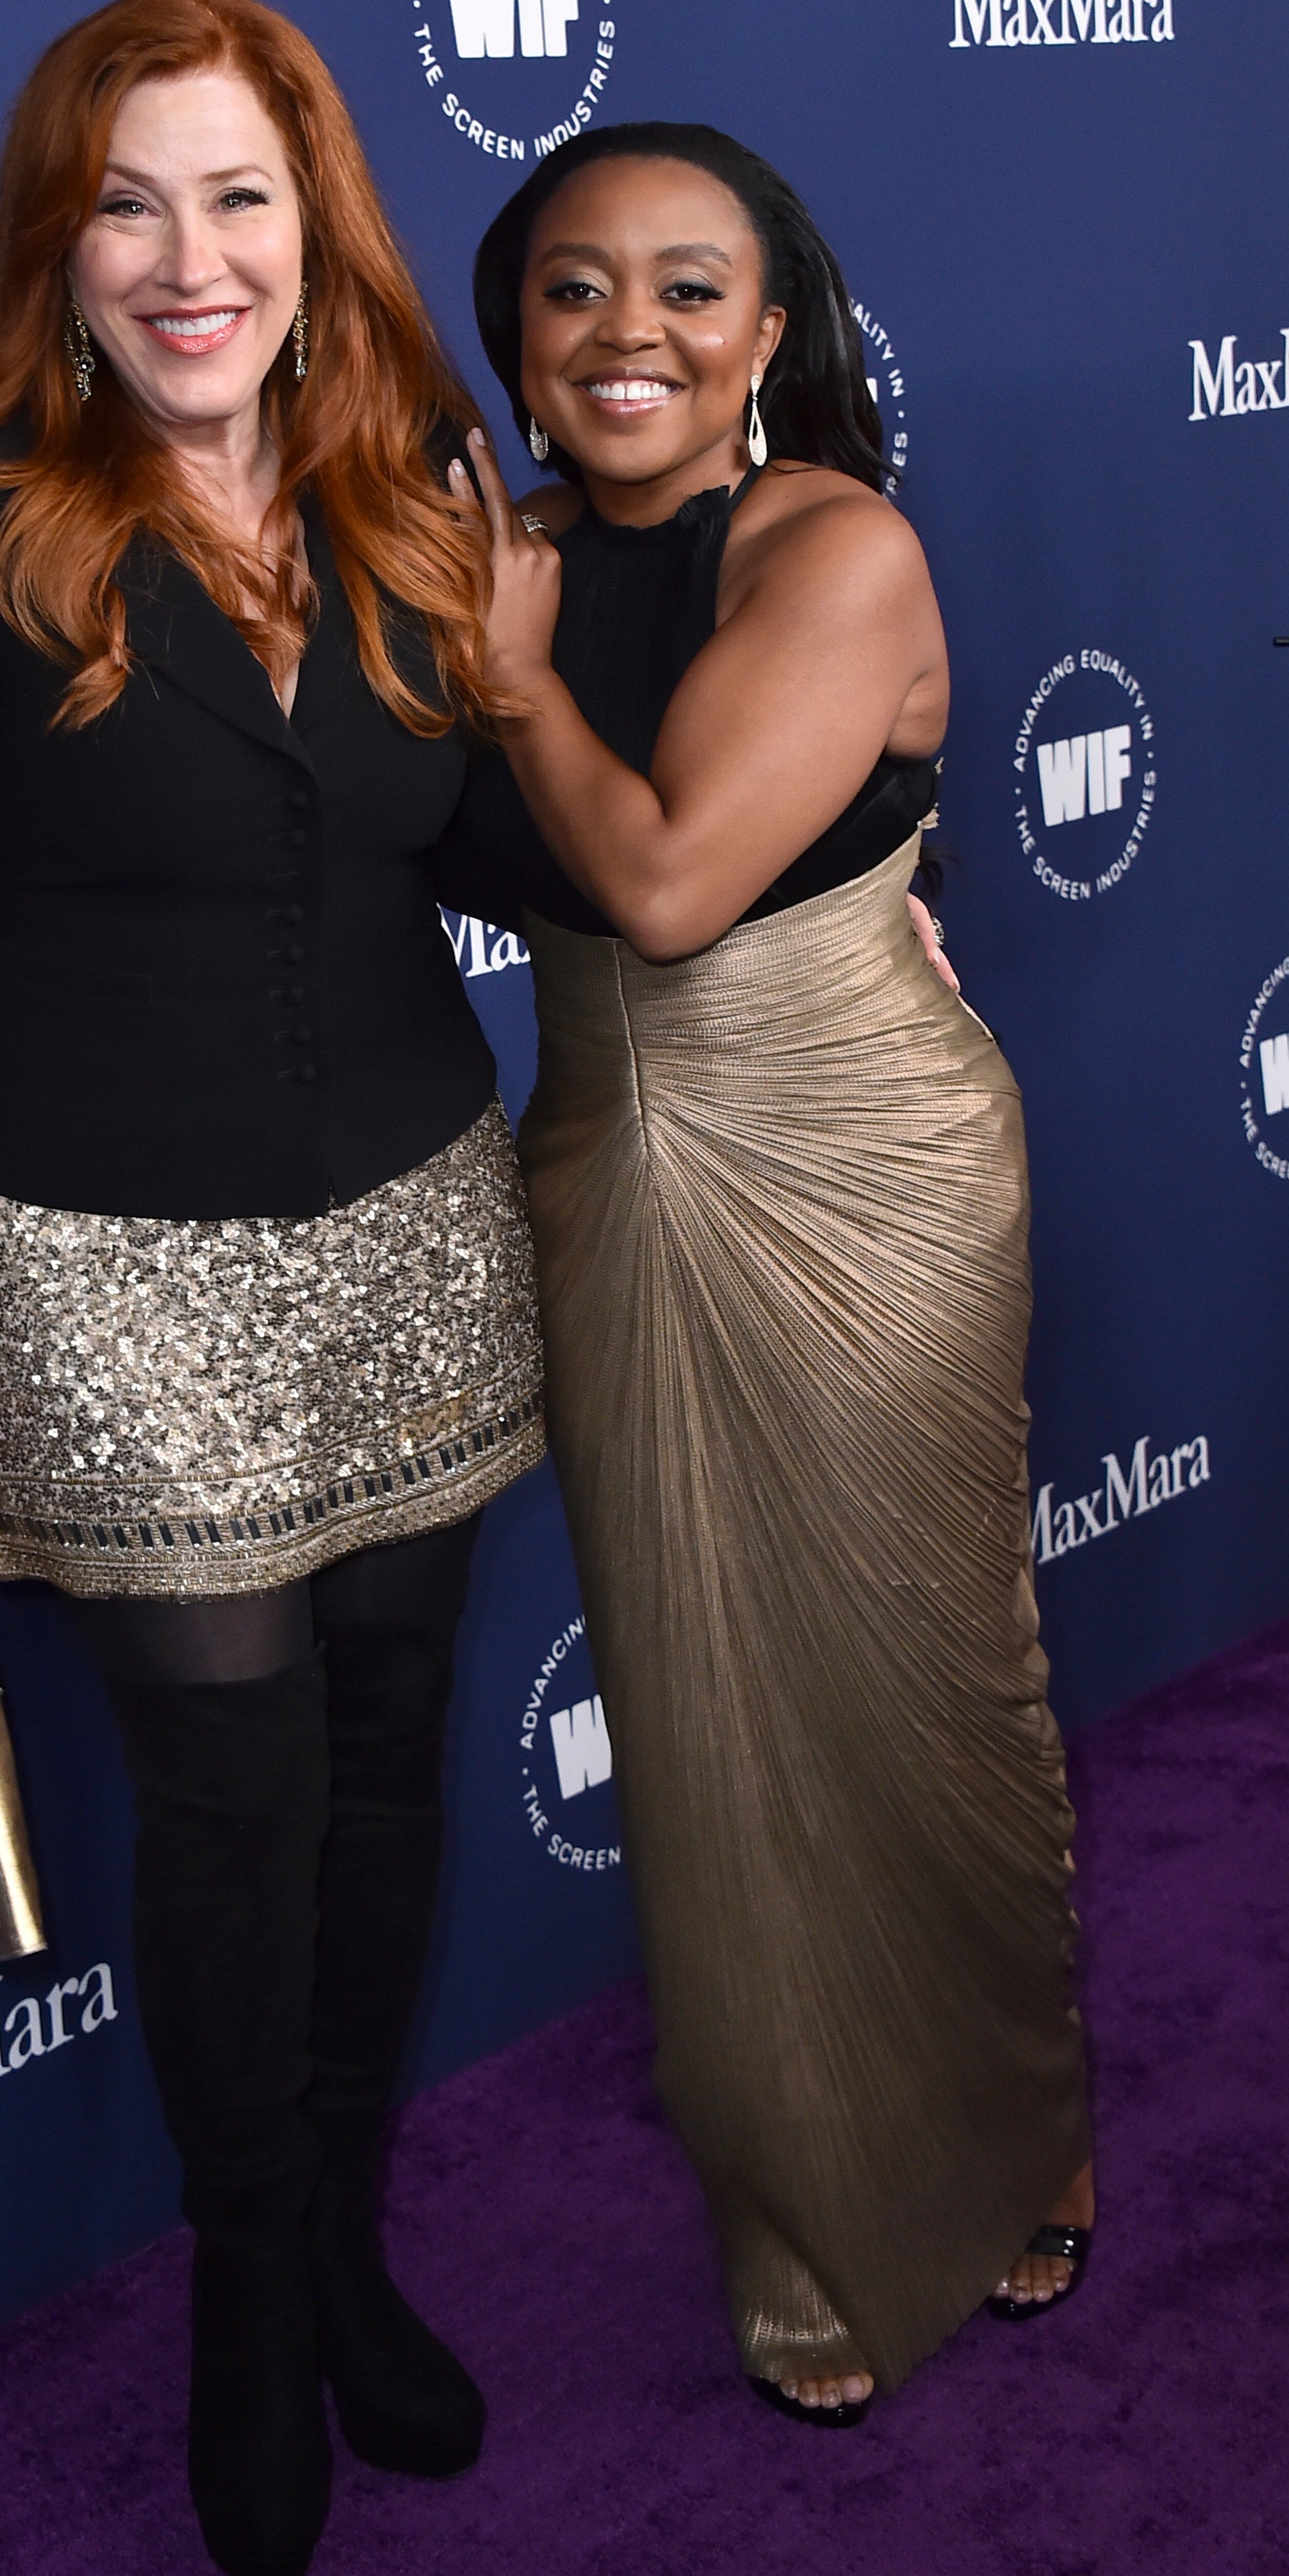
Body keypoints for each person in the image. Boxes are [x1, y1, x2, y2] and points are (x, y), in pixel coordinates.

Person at [0, 0, 544, 2576]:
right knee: (231, 1818)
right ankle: (251, 2295)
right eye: (129, 201)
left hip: (421, 1227)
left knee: (382, 1780)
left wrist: (849, 851)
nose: (188, 255)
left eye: (237, 195)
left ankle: (347, 2245)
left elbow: (499, 848)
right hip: (105, 1272)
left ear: (314, 219)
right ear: (60, 236)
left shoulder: (406, 486)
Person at [443, 123, 1094, 2425]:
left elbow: (678, 885)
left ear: (775, 333)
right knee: (706, 1699)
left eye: (690, 289)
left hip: (854, 1143)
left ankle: (1019, 2137)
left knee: (924, 1666)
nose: (632, 333)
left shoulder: (832, 545)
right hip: (610, 1151)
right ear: (514, 336)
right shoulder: (488, 554)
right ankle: (808, 2219)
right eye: (575, 290)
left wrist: (515, 681)